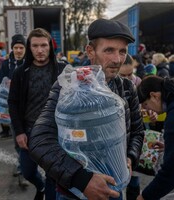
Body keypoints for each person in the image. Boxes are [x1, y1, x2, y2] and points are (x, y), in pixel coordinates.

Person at [29, 18, 144, 200]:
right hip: (74, 192)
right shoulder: (69, 89)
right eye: (109, 50)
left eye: (122, 51)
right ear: (90, 51)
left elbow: (137, 131)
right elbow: (39, 139)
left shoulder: (127, 88)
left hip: (114, 188)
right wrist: (82, 179)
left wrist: (130, 157)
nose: (117, 59)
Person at [8, 28, 65, 199]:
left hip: (55, 133)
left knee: (52, 177)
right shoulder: (21, 72)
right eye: (35, 46)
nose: (40, 50)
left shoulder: (63, 70)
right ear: (29, 48)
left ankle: (46, 192)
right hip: (29, 131)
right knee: (27, 171)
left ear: (50, 47)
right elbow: (13, 103)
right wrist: (19, 131)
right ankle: (39, 188)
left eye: (43, 45)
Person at [0, 34, 26, 139]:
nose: (18, 50)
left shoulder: (30, 62)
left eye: (21, 48)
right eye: (16, 48)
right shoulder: (6, 64)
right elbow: (0, 82)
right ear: (12, 48)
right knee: (17, 138)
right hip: (13, 106)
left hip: (29, 107)